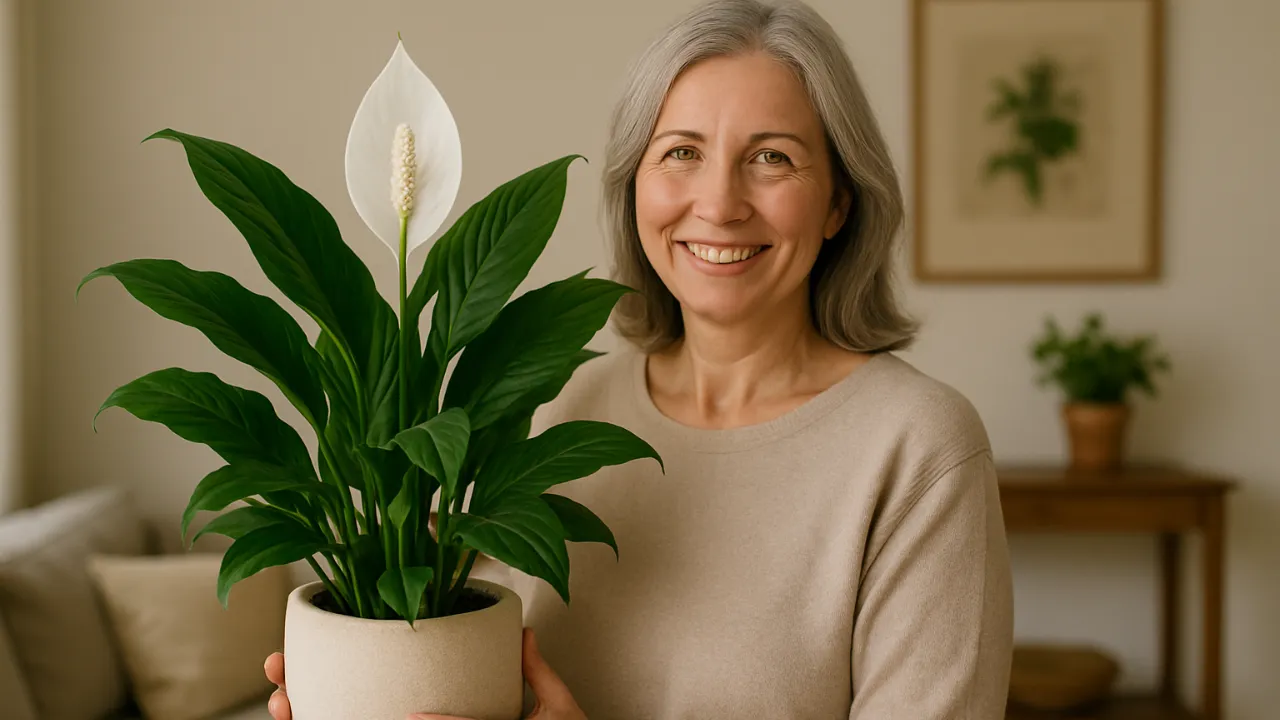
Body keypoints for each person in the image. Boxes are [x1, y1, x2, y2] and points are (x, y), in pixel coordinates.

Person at [265, 0, 1014, 717]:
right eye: (682, 152)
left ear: (839, 204)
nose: (719, 204)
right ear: (634, 186)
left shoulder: (918, 447)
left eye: (772, 158)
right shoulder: (556, 405)